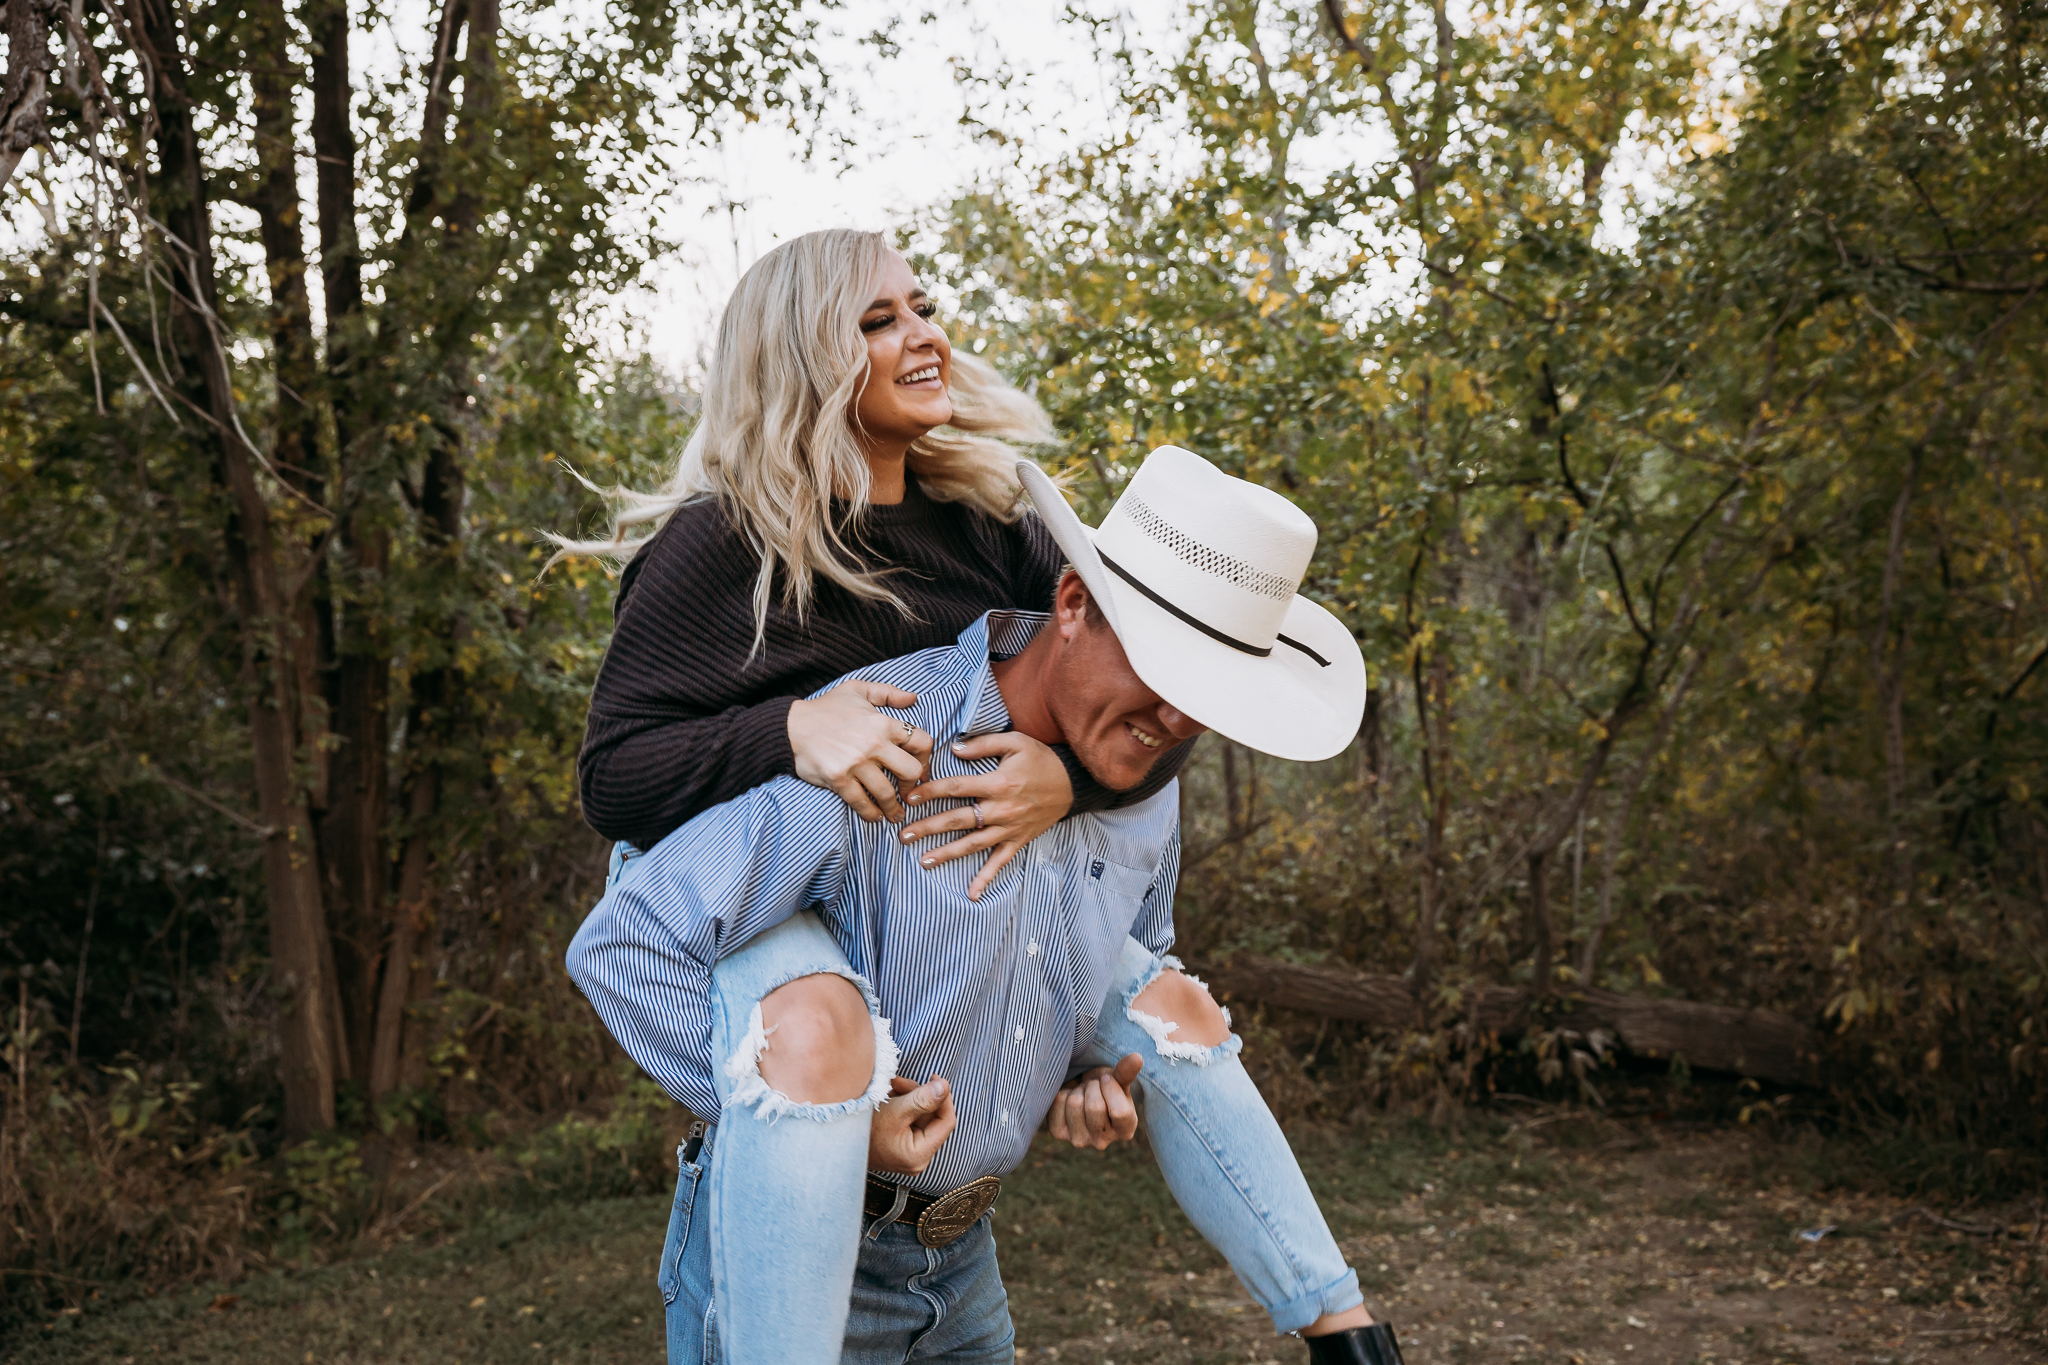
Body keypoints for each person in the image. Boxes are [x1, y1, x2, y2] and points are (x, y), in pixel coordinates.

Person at [568, 444, 1406, 1365]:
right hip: (794, 1259)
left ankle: (1344, 1331)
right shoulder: (885, 751)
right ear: (1075, 606)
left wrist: (1089, 1075)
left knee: (1175, 1006)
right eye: (1167, 676)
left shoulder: (1144, 785)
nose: (1177, 724)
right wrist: (826, 1124)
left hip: (961, 1270)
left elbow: (1129, 962)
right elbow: (625, 943)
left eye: (1209, 699)